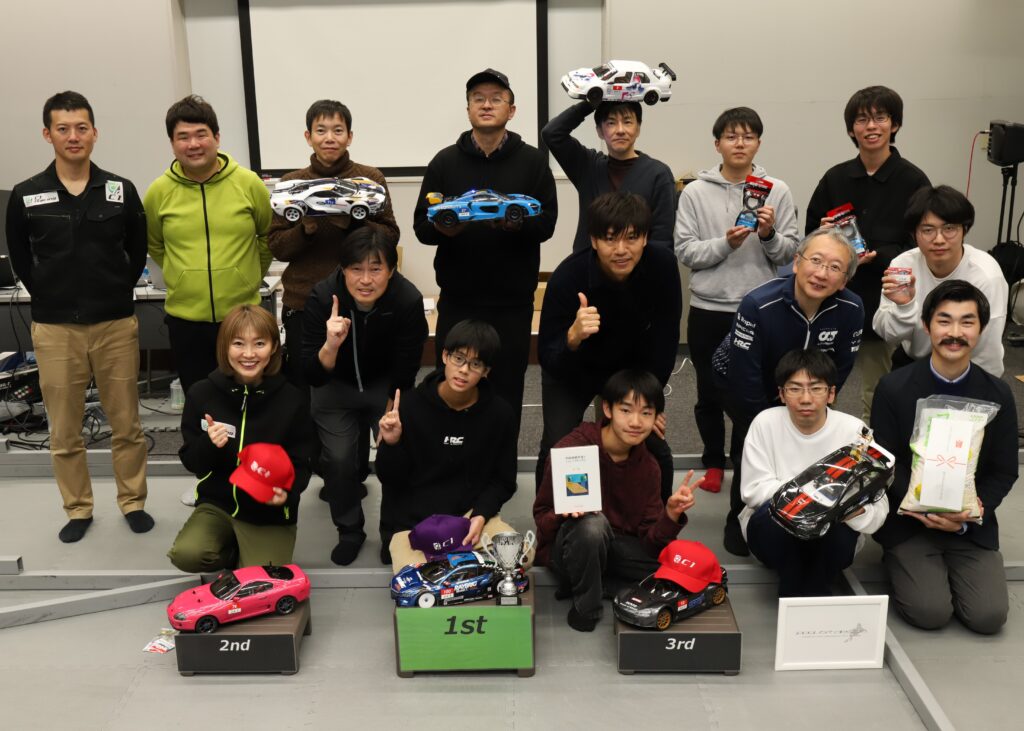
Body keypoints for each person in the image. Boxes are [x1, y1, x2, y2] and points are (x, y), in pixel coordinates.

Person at [5, 91, 152, 543]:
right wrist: (50, 293)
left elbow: (137, 250)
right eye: (63, 128)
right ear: (47, 134)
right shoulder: (26, 194)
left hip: (114, 324)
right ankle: (78, 508)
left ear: (94, 133)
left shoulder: (119, 189)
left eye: (81, 128)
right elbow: (20, 256)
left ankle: (132, 501)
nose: (74, 136)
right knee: (65, 428)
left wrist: (115, 290)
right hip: (55, 328)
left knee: (126, 423)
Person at [413, 69, 557, 437]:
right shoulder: (444, 162)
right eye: (479, 98)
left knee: (506, 393)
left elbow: (546, 225)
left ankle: (500, 469)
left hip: (512, 304)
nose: (487, 104)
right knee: (452, 389)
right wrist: (445, 229)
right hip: (459, 301)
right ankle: (450, 460)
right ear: (468, 110)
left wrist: (516, 225)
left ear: (512, 110)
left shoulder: (533, 162)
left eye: (496, 98)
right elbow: (421, 228)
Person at [871, 281, 1016, 634]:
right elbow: (885, 461)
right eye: (944, 321)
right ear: (926, 325)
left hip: (969, 523)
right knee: (930, 612)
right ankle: (903, 563)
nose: (955, 333)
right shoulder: (894, 387)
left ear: (981, 329)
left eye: (967, 322)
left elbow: (1004, 470)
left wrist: (971, 512)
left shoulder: (997, 393)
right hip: (910, 520)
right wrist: (926, 507)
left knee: (988, 617)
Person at [712, 227, 864, 556]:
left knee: (807, 435)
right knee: (749, 438)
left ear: (844, 280)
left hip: (802, 385)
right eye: (816, 261)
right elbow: (744, 374)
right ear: (796, 262)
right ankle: (738, 517)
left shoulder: (852, 309)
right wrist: (764, 423)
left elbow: (840, 367)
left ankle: (800, 507)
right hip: (739, 376)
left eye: (834, 267)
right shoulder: (758, 303)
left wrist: (819, 401)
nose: (821, 273)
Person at [675, 106, 801, 494]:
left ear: (758, 143)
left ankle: (746, 460)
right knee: (708, 392)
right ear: (718, 144)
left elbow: (790, 251)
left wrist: (768, 235)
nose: (740, 143)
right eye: (731, 136)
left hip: (761, 308)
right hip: (709, 307)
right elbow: (685, 251)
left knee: (755, 391)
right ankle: (713, 460)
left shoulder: (777, 190)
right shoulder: (694, 192)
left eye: (748, 136)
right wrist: (725, 244)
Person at [537, 192, 681, 500]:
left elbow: (665, 344)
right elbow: (548, 357)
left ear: (645, 238)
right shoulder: (567, 277)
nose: (621, 250)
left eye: (631, 238)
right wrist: (573, 337)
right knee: (558, 445)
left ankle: (657, 520)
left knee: (652, 443)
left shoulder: (663, 266)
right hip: (573, 370)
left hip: (628, 370)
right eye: (610, 239)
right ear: (593, 240)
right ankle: (550, 520)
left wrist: (650, 403)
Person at [534, 369, 700, 631]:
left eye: (646, 413)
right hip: (569, 548)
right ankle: (586, 608)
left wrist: (670, 515)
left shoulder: (649, 467)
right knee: (592, 526)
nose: (635, 422)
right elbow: (542, 517)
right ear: (607, 409)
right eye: (626, 410)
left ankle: (602, 584)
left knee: (680, 568)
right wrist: (562, 514)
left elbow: (650, 543)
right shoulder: (572, 450)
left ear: (657, 418)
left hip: (615, 549)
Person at [301, 229, 428, 565]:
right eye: (356, 269)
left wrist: (390, 409)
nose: (366, 279)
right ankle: (349, 531)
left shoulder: (407, 299)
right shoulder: (322, 297)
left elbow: (407, 364)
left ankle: (394, 533)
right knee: (339, 459)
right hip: (333, 385)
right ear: (343, 269)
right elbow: (312, 373)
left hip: (384, 387)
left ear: (392, 269)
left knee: (396, 456)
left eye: (376, 268)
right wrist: (331, 344)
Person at [806, 85, 930, 420]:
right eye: (862, 119)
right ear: (851, 129)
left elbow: (924, 244)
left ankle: (875, 446)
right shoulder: (835, 178)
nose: (871, 126)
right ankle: (817, 442)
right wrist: (823, 233)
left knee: (879, 390)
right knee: (818, 383)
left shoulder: (913, 180)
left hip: (886, 299)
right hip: (832, 298)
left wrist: (882, 258)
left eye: (880, 118)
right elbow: (809, 238)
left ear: (895, 124)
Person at [168, 305, 316, 572]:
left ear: (274, 347)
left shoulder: (292, 399)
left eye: (259, 343)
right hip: (218, 504)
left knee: (263, 580)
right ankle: (234, 551)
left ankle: (251, 554)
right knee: (186, 555)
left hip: (267, 512)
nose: (249, 354)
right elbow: (192, 461)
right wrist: (209, 444)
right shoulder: (202, 393)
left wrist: (288, 492)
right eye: (238, 343)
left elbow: (304, 459)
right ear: (225, 346)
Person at [144, 94, 273, 395]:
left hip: (242, 318)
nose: (193, 144)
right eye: (183, 137)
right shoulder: (158, 192)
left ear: (216, 137)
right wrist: (183, 277)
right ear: (172, 143)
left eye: (201, 134)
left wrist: (249, 276)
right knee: (200, 403)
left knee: (246, 402)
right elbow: (155, 244)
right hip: (186, 322)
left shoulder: (249, 183)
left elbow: (268, 236)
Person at [268, 99, 399, 384]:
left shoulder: (369, 179)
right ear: (308, 137)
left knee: (363, 382)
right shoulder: (293, 184)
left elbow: (390, 237)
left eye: (338, 130)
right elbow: (277, 246)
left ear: (349, 136)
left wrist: (355, 223)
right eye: (321, 130)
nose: (330, 138)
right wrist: (305, 230)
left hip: (363, 301)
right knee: (306, 384)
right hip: (304, 302)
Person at [375, 320, 522, 574]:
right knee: (418, 579)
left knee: (521, 556)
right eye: (458, 358)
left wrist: (481, 514)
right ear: (445, 356)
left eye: (475, 364)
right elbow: (390, 478)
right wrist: (391, 443)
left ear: (486, 371)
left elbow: (503, 480)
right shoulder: (410, 406)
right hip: (414, 525)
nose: (464, 370)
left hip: (468, 520)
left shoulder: (500, 414)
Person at [741, 349, 888, 597]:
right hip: (774, 532)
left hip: (833, 536)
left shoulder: (854, 431)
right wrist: (818, 499)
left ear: (831, 393)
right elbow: (753, 491)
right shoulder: (765, 422)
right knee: (775, 515)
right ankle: (810, 596)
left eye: (816, 388)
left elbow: (878, 504)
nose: (805, 399)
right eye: (794, 389)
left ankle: (800, 597)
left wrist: (849, 509)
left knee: (833, 526)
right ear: (781, 394)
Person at [874, 185, 1006, 376]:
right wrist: (904, 307)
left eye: (949, 228)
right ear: (914, 234)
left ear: (964, 230)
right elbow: (888, 335)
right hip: (914, 360)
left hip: (966, 366)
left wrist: (979, 387)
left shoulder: (986, 275)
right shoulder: (903, 265)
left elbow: (987, 349)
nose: (939, 239)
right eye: (928, 230)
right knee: (888, 390)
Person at [543, 98, 674, 252]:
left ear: (638, 128)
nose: (620, 130)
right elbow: (552, 133)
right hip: (588, 263)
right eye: (611, 123)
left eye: (627, 122)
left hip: (638, 264)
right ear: (599, 130)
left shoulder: (658, 174)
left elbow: (662, 239)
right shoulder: (588, 166)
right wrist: (591, 102)